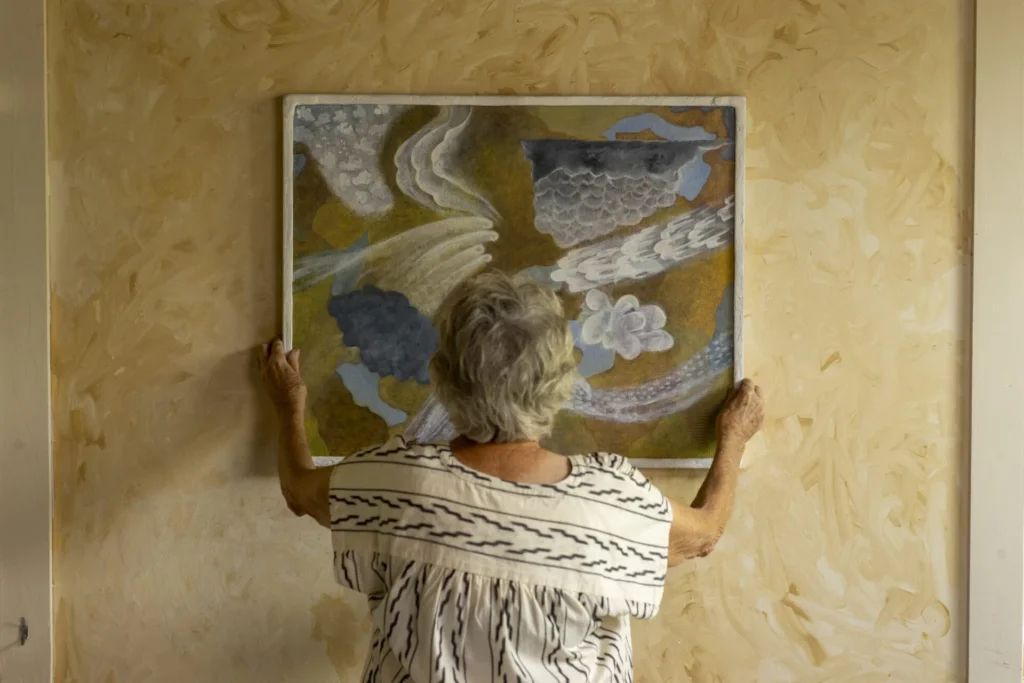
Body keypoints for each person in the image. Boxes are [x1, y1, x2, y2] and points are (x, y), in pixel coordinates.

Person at [259, 271, 764, 683]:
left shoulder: (392, 484)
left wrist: (289, 405)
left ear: (443, 377)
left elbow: (299, 490)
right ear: (561, 382)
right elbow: (706, 532)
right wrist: (734, 436)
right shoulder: (612, 505)